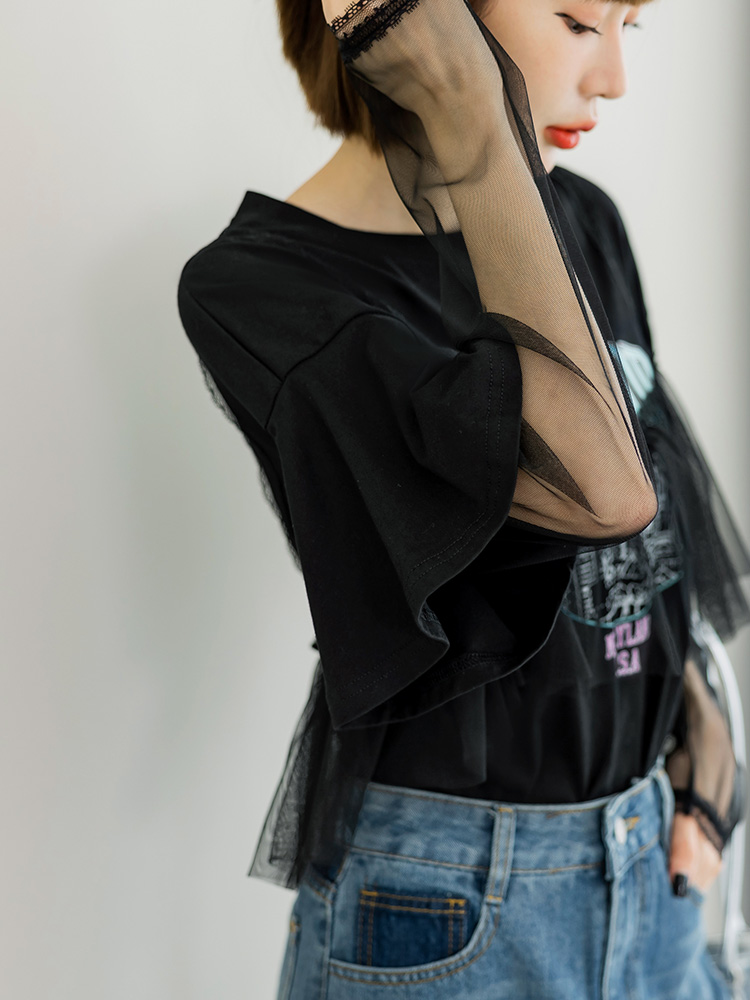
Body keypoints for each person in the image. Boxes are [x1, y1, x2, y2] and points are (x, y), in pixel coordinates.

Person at [176, 0, 750, 995]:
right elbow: (603, 496)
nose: (614, 80)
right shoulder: (264, 285)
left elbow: (654, 546)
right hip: (452, 910)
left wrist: (704, 759)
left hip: (653, 875)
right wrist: (467, 103)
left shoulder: (585, 218)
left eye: (631, 26)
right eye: (577, 20)